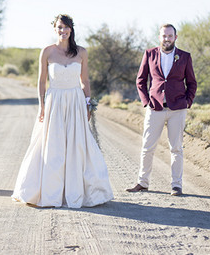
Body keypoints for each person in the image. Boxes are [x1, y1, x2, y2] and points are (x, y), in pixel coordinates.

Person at [12, 14, 113, 208]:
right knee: (53, 145)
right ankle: (50, 192)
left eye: (66, 28)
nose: (63, 31)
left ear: (71, 29)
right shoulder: (47, 52)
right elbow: (41, 82)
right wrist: (41, 105)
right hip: (54, 102)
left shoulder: (81, 52)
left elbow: (85, 81)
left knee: (77, 145)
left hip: (75, 101)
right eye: (59, 27)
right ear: (55, 29)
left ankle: (77, 190)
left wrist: (88, 103)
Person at [127, 24, 197, 196]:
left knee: (176, 148)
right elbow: (140, 81)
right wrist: (146, 102)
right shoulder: (150, 54)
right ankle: (142, 183)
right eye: (164, 36)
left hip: (177, 109)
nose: (167, 39)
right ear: (159, 37)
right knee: (147, 147)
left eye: (170, 36)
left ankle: (176, 186)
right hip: (155, 108)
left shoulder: (185, 57)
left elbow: (192, 83)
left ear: (175, 37)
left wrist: (187, 102)